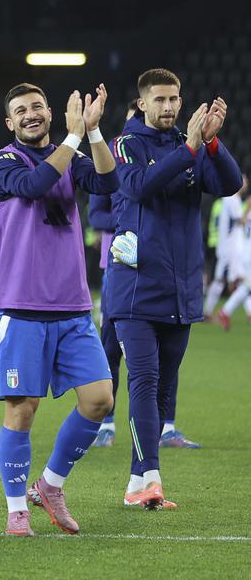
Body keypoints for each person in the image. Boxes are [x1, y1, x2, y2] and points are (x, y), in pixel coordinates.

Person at [0, 82, 118, 537]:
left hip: (73, 306)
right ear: (10, 122)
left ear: (48, 111)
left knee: (100, 399)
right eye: (20, 110)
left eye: (37, 106)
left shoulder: (73, 154)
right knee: (22, 409)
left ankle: (51, 485)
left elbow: (107, 181)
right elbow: (36, 183)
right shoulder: (2, 163)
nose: (30, 114)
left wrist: (94, 132)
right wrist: (74, 137)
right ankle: (16, 508)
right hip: (19, 307)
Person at [108, 68, 241, 509]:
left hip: (182, 288)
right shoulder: (126, 145)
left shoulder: (193, 146)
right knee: (143, 383)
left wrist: (213, 144)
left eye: (174, 99)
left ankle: (136, 481)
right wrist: (190, 146)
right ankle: (150, 479)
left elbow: (229, 184)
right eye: (159, 99)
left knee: (163, 388)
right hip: (136, 289)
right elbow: (140, 186)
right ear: (142, 103)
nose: (168, 107)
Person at [91, 101, 202, 450]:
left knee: (165, 355)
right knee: (111, 347)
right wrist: (130, 223)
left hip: (157, 267)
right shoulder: (113, 162)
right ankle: (105, 421)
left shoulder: (160, 155)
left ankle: (166, 425)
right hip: (119, 267)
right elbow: (97, 215)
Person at [206, 174, 250, 326]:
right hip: (230, 248)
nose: (245, 183)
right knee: (224, 280)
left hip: (233, 247)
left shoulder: (231, 199)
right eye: (243, 180)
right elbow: (241, 220)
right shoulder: (232, 199)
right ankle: (210, 312)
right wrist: (249, 207)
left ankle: (217, 312)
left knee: (240, 281)